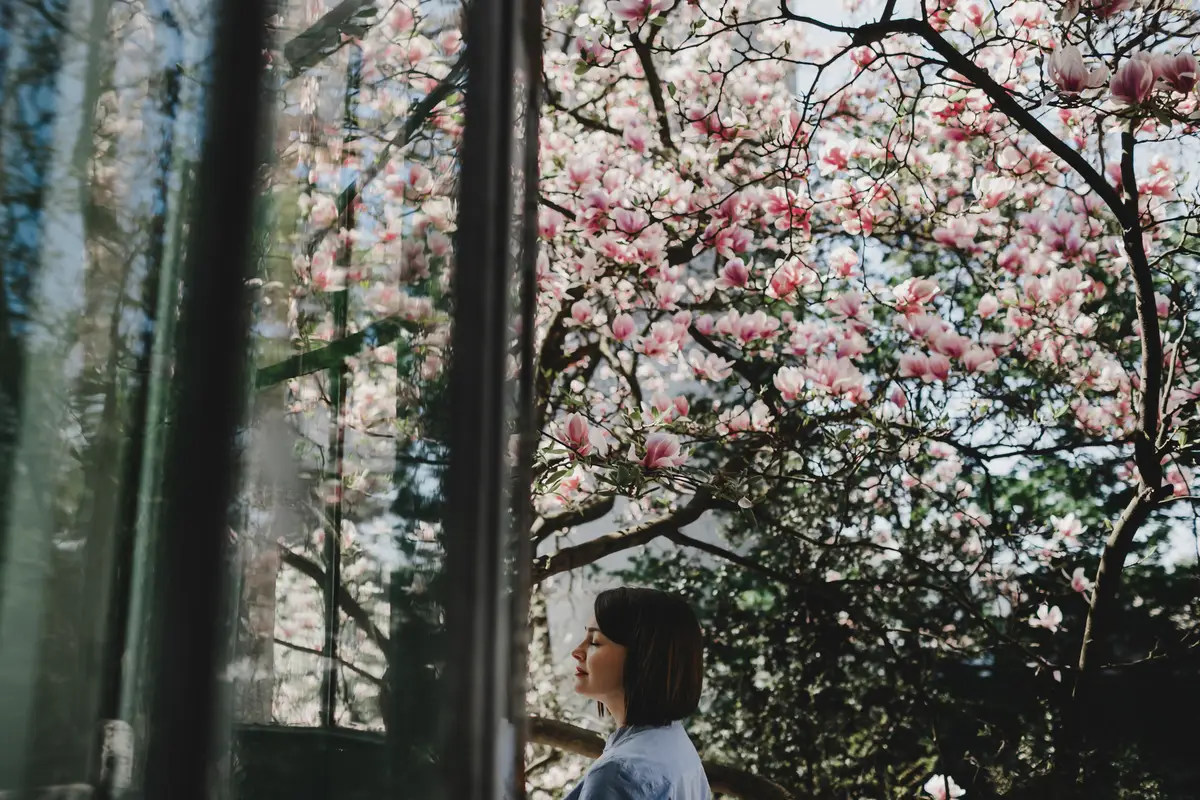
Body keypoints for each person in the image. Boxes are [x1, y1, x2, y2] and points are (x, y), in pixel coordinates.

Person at [564, 587, 711, 800]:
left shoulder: (617, 774)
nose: (577, 651)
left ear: (643, 658)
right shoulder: (673, 742)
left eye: (595, 641)